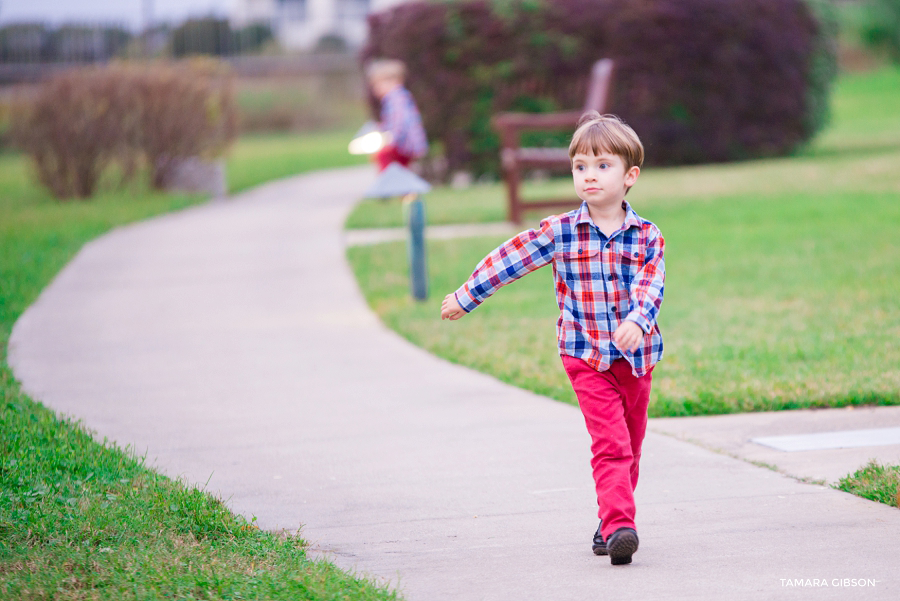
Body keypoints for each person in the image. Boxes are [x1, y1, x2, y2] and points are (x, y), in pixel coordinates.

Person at [440, 112, 665, 566]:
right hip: (583, 355)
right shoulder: (560, 231)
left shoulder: (647, 236)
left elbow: (651, 285)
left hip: (635, 358)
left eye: (603, 166)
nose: (589, 176)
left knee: (632, 444)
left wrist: (638, 320)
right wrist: (468, 295)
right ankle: (622, 524)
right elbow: (511, 258)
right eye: (580, 166)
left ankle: (608, 519)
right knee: (611, 444)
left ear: (630, 176)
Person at [365, 59, 428, 171]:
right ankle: (397, 185)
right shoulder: (399, 96)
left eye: (378, 84)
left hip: (404, 144)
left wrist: (390, 141)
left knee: (383, 156)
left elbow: (399, 122)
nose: (375, 89)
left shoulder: (395, 98)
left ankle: (388, 184)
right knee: (400, 168)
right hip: (406, 144)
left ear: (393, 81)